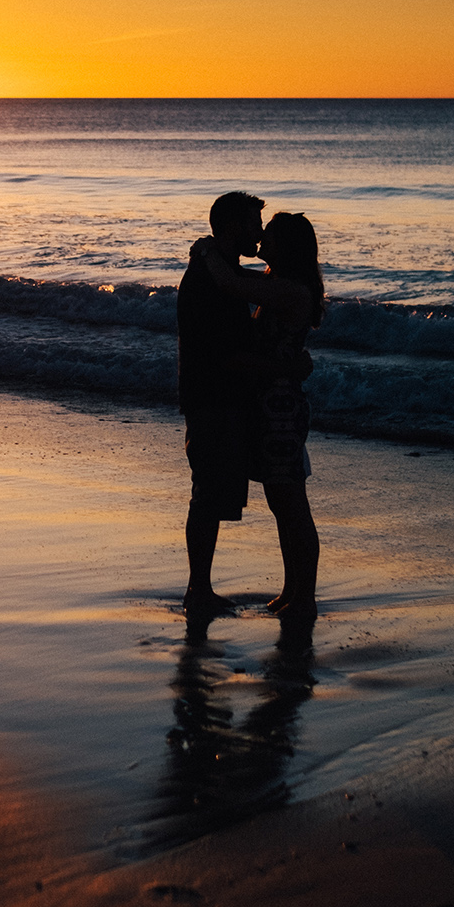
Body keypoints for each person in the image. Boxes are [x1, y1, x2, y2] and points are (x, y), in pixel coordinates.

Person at [178, 198, 325, 614]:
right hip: (264, 406)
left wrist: (207, 250)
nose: (261, 234)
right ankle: (292, 591)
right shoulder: (272, 281)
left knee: (291, 503)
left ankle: (305, 596)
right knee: (281, 503)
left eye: (269, 231)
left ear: (288, 246)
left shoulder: (285, 289)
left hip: (279, 408)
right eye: (258, 224)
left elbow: (232, 283)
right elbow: (235, 280)